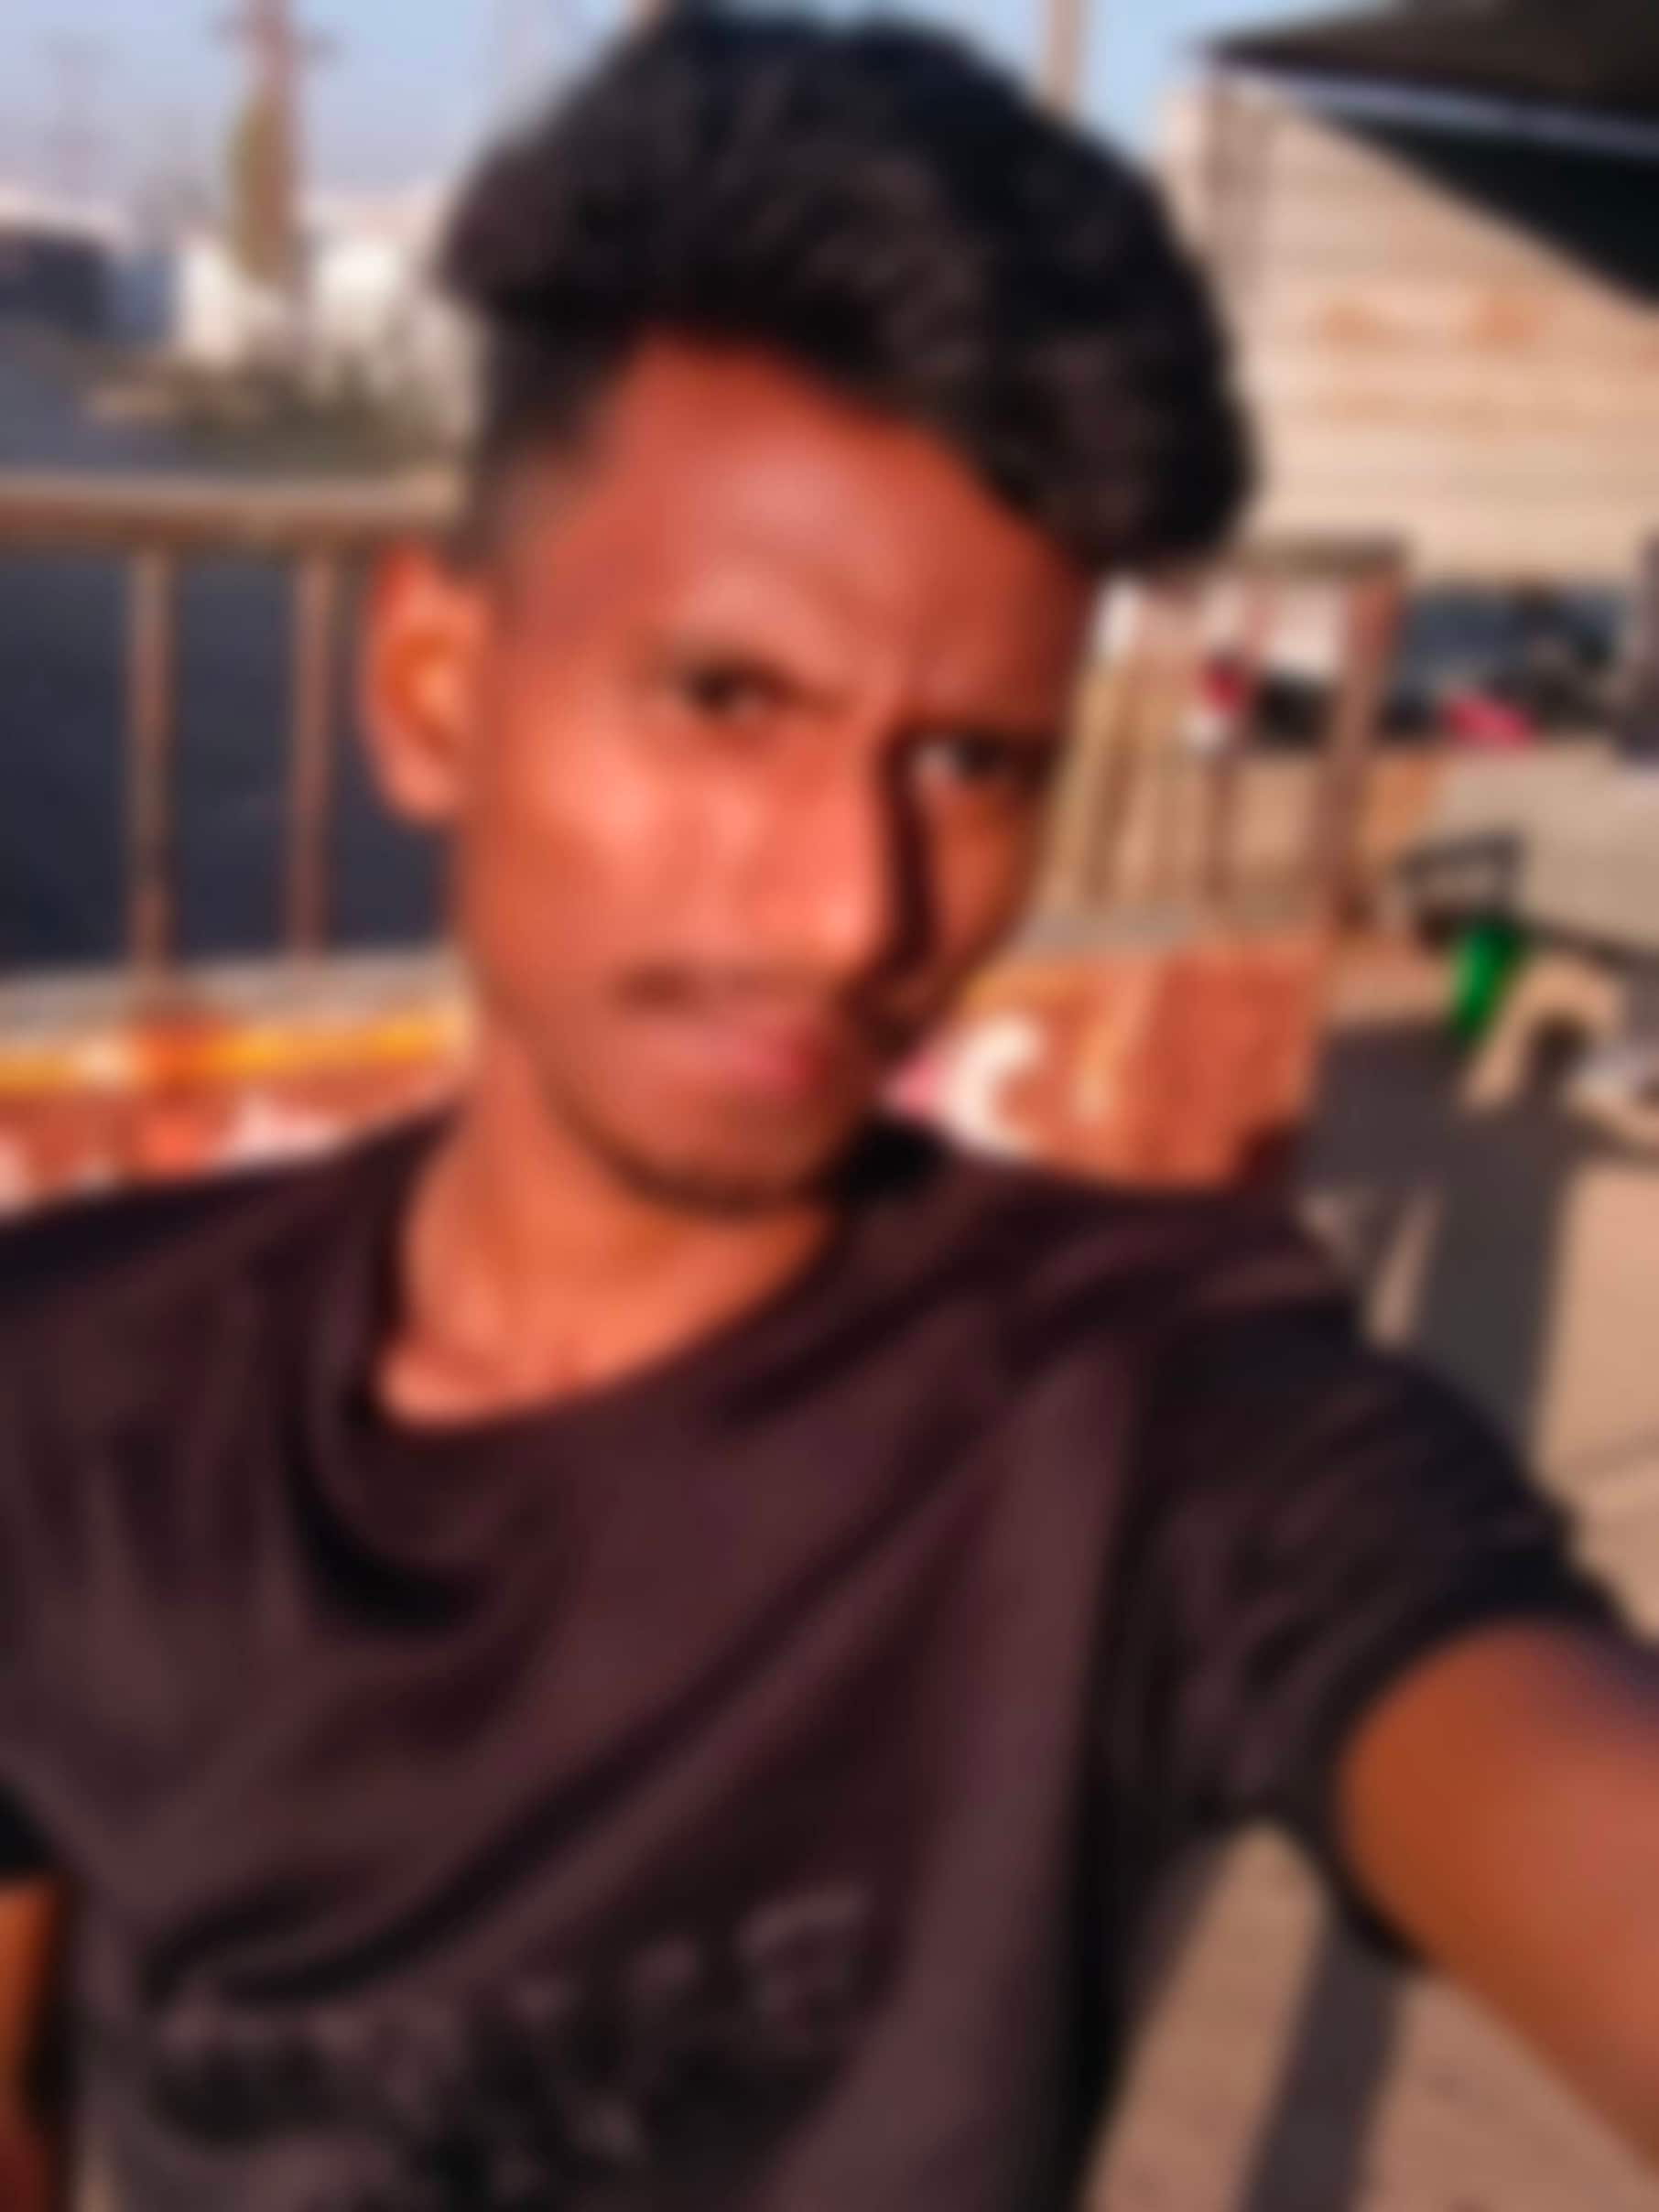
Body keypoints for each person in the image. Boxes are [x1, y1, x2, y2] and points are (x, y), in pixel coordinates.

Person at [3, 16, 1657, 2209]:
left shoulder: (1144, 1413)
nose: (857, 907)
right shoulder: (69, 1399)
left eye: (972, 762)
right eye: (727, 696)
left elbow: (1484, 1696)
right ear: (431, 690)